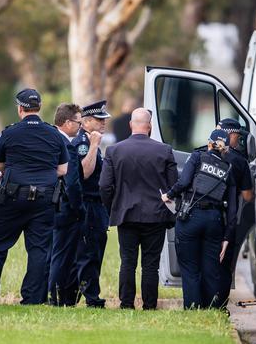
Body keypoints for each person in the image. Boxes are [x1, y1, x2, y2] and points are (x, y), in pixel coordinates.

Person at [0, 88, 68, 305]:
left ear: (20, 108)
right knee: (38, 249)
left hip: (12, 197)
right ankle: (33, 298)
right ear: (39, 108)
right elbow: (63, 170)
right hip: (45, 199)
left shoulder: (10, 132)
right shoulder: (54, 133)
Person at [99, 108, 178, 310]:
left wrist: (112, 208)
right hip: (156, 216)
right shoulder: (164, 150)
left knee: (128, 262)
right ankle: (149, 305)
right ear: (149, 126)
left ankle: (126, 304)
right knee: (151, 264)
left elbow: (104, 186)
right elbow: (173, 186)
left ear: (131, 125)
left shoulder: (114, 151)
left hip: (126, 214)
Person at [162, 129, 237, 309]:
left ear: (209, 143)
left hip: (191, 217)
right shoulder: (228, 169)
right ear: (225, 148)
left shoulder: (197, 157)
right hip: (214, 221)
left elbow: (184, 181)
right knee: (210, 269)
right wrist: (227, 237)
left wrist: (168, 195)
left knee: (189, 268)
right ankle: (211, 309)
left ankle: (193, 308)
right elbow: (233, 208)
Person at [72, 100, 111, 308]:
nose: (103, 123)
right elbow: (84, 173)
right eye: (99, 119)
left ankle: (84, 295)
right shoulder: (83, 143)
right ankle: (91, 298)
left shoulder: (91, 141)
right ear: (86, 122)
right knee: (88, 253)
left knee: (95, 252)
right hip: (88, 205)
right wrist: (94, 145)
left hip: (98, 206)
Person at [215, 118, 254, 309]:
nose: (238, 141)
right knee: (224, 265)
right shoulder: (239, 161)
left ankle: (200, 303)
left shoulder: (201, 153)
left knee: (205, 261)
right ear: (230, 134)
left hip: (202, 215)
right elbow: (247, 196)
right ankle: (220, 307)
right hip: (227, 219)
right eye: (237, 137)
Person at [48, 103, 84, 306]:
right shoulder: (67, 145)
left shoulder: (47, 139)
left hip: (45, 205)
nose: (80, 126)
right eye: (78, 122)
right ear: (68, 122)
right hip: (63, 207)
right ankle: (54, 297)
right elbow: (72, 182)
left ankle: (46, 294)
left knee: (49, 253)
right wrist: (80, 208)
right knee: (60, 256)